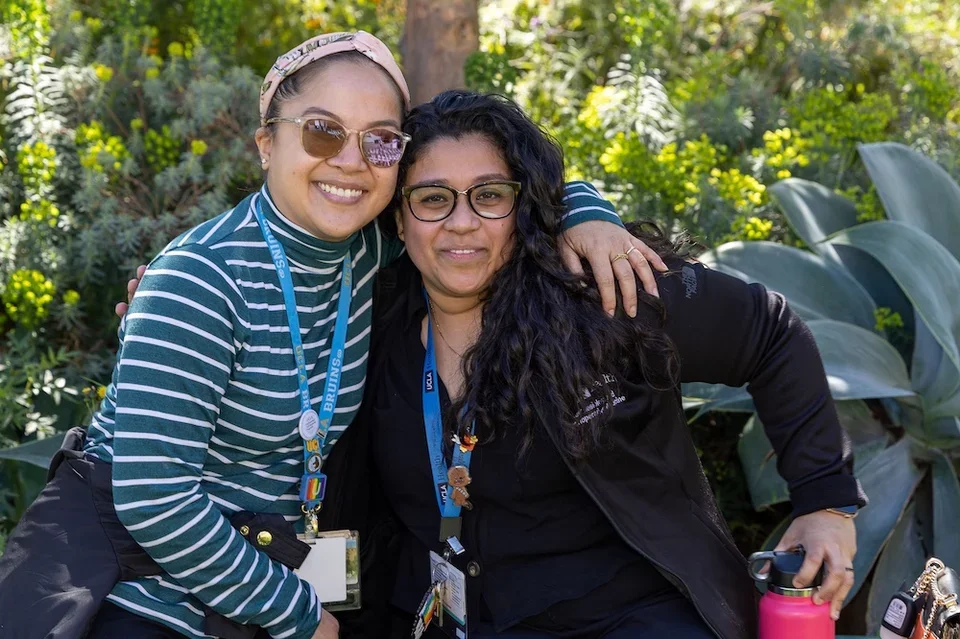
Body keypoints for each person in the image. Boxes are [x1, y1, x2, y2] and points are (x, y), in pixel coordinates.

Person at [0, 33, 662, 639]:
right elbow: (154, 496)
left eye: (379, 140)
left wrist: (584, 213)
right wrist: (302, 619)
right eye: (322, 132)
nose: (350, 162)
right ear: (267, 143)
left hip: (261, 572)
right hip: (146, 589)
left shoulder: (370, 253)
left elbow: (484, 188)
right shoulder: (200, 278)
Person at [338, 90, 866, 639]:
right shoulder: (369, 324)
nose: (462, 222)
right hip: (450, 618)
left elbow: (769, 331)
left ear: (521, 209)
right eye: (432, 198)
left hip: (629, 618)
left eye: (490, 196)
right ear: (399, 218)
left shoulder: (602, 295)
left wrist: (826, 503)